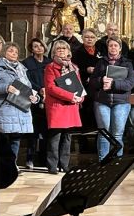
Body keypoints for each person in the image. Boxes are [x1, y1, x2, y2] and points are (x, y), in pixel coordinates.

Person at [89, 36, 134, 159]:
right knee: (104, 133)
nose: (113, 48)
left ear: (120, 48)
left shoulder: (127, 63)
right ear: (107, 47)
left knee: (117, 134)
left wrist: (113, 84)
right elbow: (92, 82)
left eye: (116, 45)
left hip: (121, 102)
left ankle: (116, 163)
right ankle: (103, 162)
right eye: (111, 45)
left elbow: (130, 83)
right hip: (102, 102)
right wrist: (101, 80)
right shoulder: (101, 62)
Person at [44, 40, 84, 174]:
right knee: (55, 137)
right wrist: (70, 96)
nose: (61, 50)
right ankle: (52, 165)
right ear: (53, 52)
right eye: (58, 49)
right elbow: (51, 88)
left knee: (67, 137)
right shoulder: (50, 67)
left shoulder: (74, 67)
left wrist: (81, 97)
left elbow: (79, 85)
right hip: (57, 105)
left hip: (71, 106)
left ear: (68, 51)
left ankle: (64, 164)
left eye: (64, 48)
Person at [0, 42, 39, 158]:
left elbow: (29, 88)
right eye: (10, 51)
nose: (14, 53)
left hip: (21, 109)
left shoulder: (22, 69)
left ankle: (12, 165)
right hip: (5, 109)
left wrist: (35, 98)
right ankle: (3, 165)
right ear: (4, 52)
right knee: (4, 142)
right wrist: (6, 88)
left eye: (16, 52)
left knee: (16, 140)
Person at [21, 37, 52, 168]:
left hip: (48, 97)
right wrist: (39, 89)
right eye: (35, 46)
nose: (39, 48)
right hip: (33, 97)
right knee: (33, 130)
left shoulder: (49, 62)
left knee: (46, 130)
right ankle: (29, 158)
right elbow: (26, 80)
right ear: (31, 49)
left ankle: (44, 159)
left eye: (40, 45)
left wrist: (47, 90)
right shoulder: (26, 63)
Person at [72, 27, 100, 132]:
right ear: (82, 38)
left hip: (98, 85)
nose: (89, 39)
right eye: (87, 37)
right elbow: (73, 69)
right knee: (85, 110)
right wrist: (86, 70)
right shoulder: (77, 52)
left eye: (92, 37)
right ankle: (84, 134)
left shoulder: (100, 51)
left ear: (96, 39)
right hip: (83, 84)